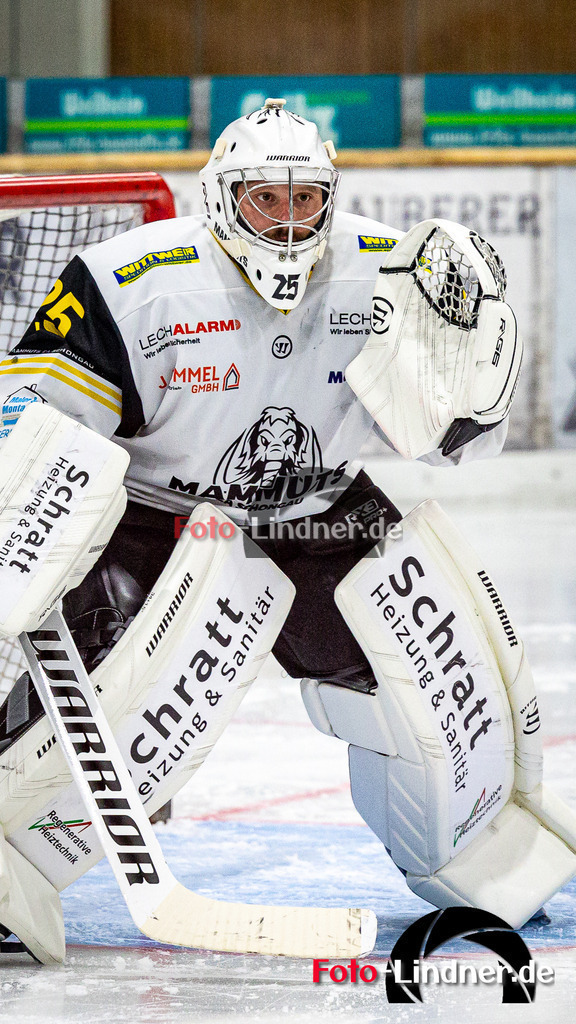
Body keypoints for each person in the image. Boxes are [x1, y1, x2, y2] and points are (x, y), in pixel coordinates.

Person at [0, 99, 538, 943]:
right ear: (222, 198)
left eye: (304, 200)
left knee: (436, 692)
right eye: (266, 200)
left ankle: (482, 851)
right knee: (118, 704)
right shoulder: (127, 282)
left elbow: (453, 442)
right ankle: (9, 864)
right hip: (162, 520)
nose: (288, 222)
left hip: (318, 515)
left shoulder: (384, 273)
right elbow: (30, 434)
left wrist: (466, 383)